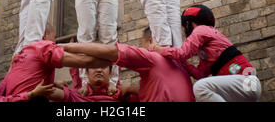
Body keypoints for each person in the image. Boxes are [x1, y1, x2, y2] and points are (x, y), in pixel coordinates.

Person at [0, 23, 112, 102]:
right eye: (54, 38)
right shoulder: (43, 47)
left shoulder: (20, 58)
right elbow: (86, 62)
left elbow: (3, 91)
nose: (54, 42)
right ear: (44, 35)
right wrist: (116, 54)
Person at [150, 5, 262, 102]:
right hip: (244, 87)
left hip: (247, 82)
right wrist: (183, 63)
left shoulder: (201, 29)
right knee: (201, 93)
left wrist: (157, 49)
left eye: (185, 25)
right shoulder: (207, 48)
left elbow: (182, 53)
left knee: (200, 88)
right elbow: (200, 74)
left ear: (189, 23)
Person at [59, 27, 195, 102]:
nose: (98, 70)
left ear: (152, 41)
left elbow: (113, 52)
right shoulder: (181, 67)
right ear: (86, 73)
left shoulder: (152, 58)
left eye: (143, 45)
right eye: (93, 68)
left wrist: (64, 48)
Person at [48, 66, 138, 102]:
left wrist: (128, 88)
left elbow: (150, 92)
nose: (99, 69)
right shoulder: (76, 94)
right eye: (93, 66)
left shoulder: (120, 94)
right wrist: (53, 84)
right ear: (86, 73)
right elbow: (46, 92)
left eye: (103, 66)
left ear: (111, 72)